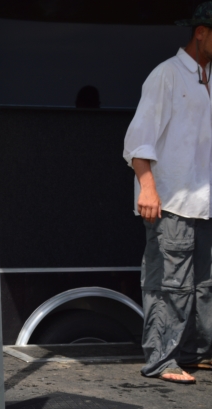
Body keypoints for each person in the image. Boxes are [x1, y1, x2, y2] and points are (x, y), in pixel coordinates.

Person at [123, 2, 212, 385]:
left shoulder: (208, 78)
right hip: (171, 203)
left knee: (204, 288)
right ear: (201, 33)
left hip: (204, 205)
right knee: (169, 284)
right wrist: (147, 187)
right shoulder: (167, 74)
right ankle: (162, 359)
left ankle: (195, 354)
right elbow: (137, 141)